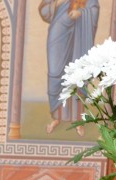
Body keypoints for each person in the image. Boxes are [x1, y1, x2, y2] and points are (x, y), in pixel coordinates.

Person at [40, 0, 100, 135]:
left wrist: (82, 13)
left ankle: (77, 119)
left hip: (79, 34)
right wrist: (57, 3)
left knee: (76, 75)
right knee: (56, 72)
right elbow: (44, 10)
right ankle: (57, 117)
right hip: (58, 34)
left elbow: (93, 8)